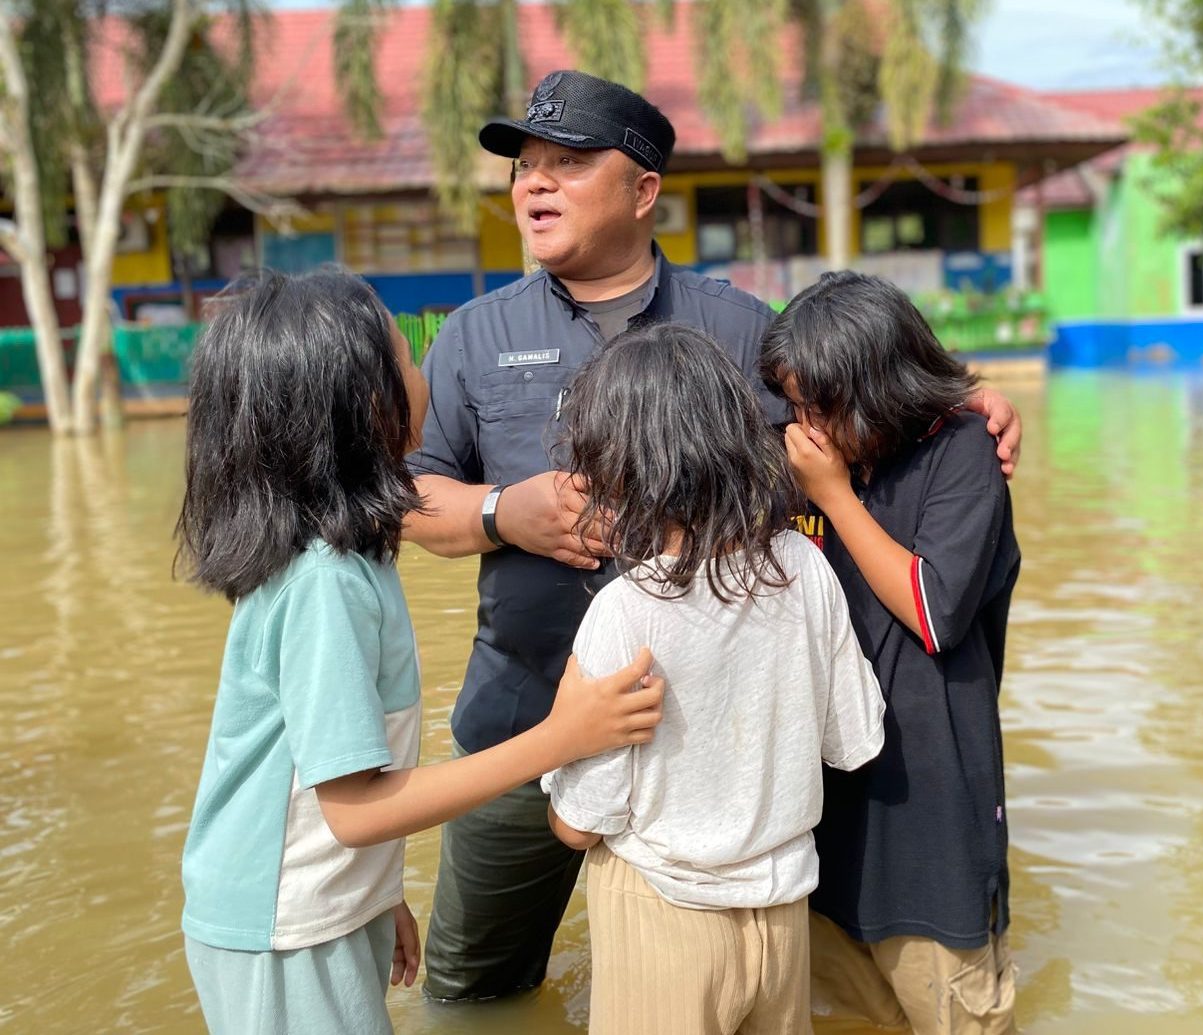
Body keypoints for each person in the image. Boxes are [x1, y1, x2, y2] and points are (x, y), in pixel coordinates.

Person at [404, 68, 1025, 1003]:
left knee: (724, 985)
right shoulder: (471, 336)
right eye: (525, 166)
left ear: (644, 190)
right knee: (470, 992)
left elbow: (858, 406)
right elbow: (408, 501)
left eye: (567, 164)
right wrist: (502, 512)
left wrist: (963, 402)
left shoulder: (740, 331)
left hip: (719, 752)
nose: (533, 185)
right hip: (523, 724)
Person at [174, 269, 664, 1035]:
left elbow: (331, 775)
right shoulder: (326, 584)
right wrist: (562, 738)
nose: (424, 371)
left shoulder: (345, 550)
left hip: (313, 901)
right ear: (363, 405)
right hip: (283, 923)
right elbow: (355, 809)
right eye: (408, 358)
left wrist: (376, 894)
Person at [540, 323, 886, 1034]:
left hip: (663, 914)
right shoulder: (803, 565)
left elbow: (578, 824)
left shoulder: (624, 610)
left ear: (623, 468)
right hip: (783, 915)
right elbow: (854, 739)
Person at [760, 271, 1022, 1034]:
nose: (804, 424)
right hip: (824, 807)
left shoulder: (962, 452)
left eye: (822, 405)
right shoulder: (806, 452)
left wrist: (834, 495)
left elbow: (935, 612)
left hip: (930, 809)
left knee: (953, 1007)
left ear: (883, 389)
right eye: (794, 403)